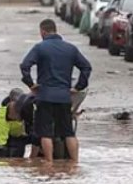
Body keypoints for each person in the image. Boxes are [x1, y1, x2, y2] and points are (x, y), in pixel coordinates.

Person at [20, 18, 91, 162]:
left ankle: (49, 163)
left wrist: (31, 84)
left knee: (45, 133)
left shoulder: (40, 48)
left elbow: (24, 66)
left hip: (45, 96)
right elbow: (86, 67)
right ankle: (75, 163)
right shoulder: (70, 48)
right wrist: (78, 87)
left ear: (43, 32)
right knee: (68, 132)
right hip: (64, 97)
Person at [0, 88, 37, 158]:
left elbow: (38, 135)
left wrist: (33, 158)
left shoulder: (31, 110)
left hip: (24, 135)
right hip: (13, 138)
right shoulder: (2, 118)